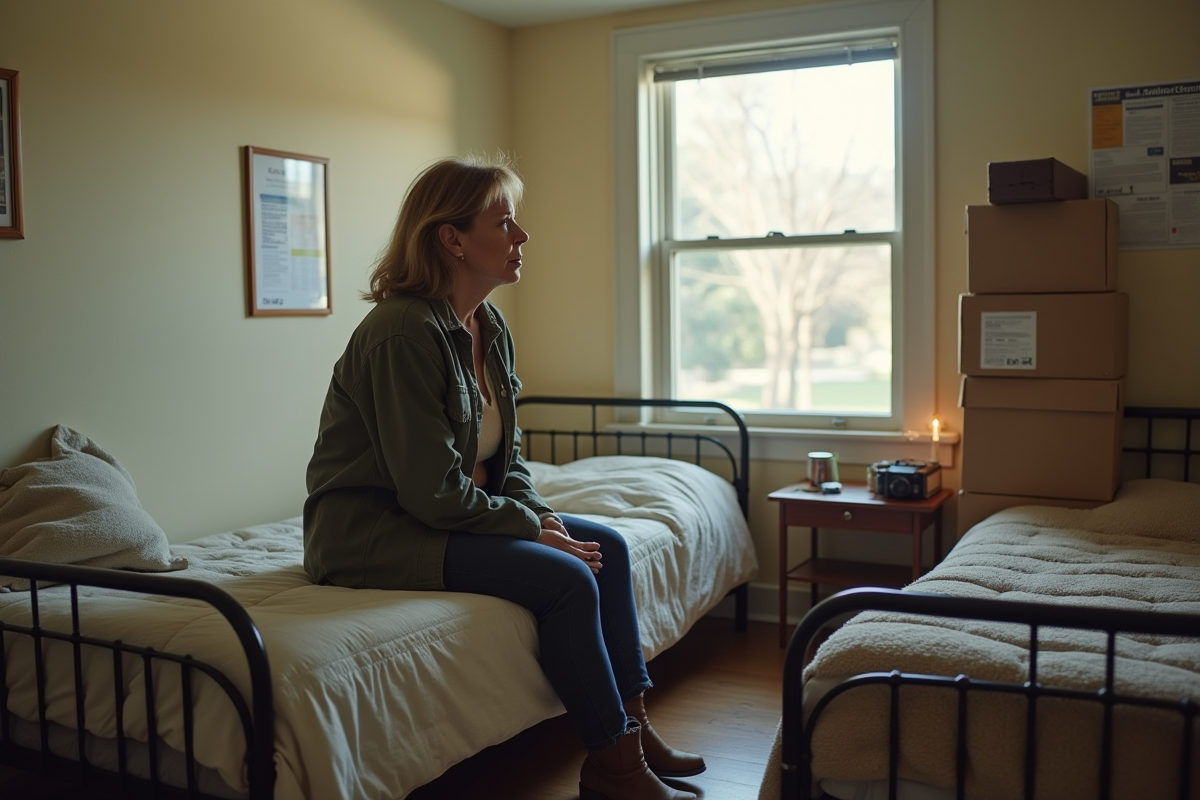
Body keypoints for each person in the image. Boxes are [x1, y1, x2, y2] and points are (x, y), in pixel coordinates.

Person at [302, 154, 703, 800]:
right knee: (568, 580)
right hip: (374, 533)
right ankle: (614, 768)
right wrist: (535, 531)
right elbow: (430, 491)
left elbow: (509, 461)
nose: (522, 238)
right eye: (504, 224)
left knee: (614, 549)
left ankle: (631, 730)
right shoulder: (402, 332)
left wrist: (539, 516)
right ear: (451, 238)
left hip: (446, 515)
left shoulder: (489, 327)